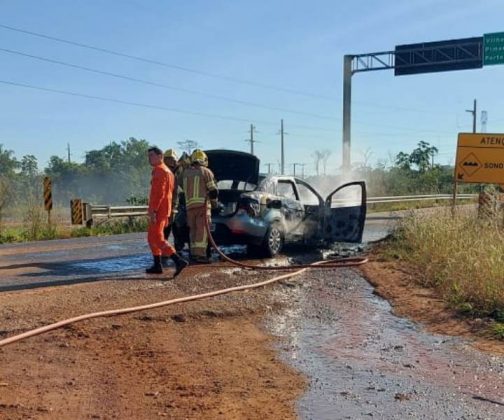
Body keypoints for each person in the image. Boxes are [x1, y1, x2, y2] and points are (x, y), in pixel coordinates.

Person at [146, 146, 188, 276]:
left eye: (152, 155)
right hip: (164, 209)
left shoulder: (160, 170)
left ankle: (178, 261)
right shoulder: (168, 172)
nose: (149, 158)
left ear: (160, 156)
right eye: (149, 156)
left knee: (158, 238)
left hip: (159, 210)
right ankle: (157, 265)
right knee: (152, 237)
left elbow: (159, 193)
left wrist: (153, 211)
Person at [180, 149, 218, 263]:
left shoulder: (185, 173)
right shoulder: (206, 171)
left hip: (189, 208)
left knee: (193, 231)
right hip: (202, 206)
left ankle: (193, 254)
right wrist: (215, 204)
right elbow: (213, 191)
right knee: (202, 232)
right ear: (204, 160)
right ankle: (200, 256)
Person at [162, 148, 179, 243]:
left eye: (172, 159)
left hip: (171, 202)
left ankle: (168, 243)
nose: (172, 161)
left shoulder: (175, 172)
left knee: (171, 223)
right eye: (169, 159)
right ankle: (164, 243)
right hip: (166, 202)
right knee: (168, 223)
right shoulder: (164, 171)